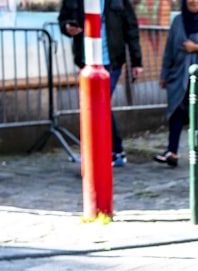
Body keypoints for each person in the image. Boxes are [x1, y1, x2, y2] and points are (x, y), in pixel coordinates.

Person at [58, 0, 143, 168]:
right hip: (86, 61)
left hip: (112, 62)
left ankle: (114, 150)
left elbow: (131, 28)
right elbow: (63, 19)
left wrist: (136, 61)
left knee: (99, 104)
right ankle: (103, 150)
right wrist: (68, 27)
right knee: (95, 106)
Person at [155, 0, 198, 168]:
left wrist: (197, 48)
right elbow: (169, 49)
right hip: (178, 75)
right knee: (176, 111)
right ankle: (172, 152)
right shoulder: (178, 21)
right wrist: (164, 74)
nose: (194, 1)